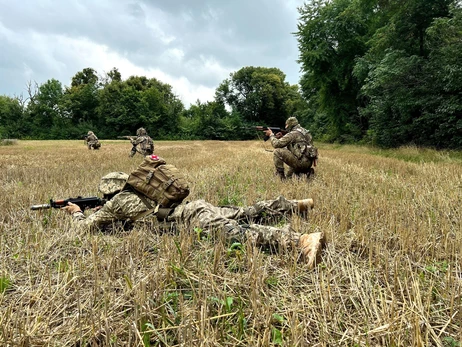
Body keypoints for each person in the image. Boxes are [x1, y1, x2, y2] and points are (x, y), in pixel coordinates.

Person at [62, 166, 325, 269]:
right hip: (194, 208)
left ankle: (300, 240)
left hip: (189, 220)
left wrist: (76, 213)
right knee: (243, 212)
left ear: (108, 192)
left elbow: (83, 231)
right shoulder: (142, 192)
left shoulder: (116, 203)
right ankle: (293, 204)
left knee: (240, 232)